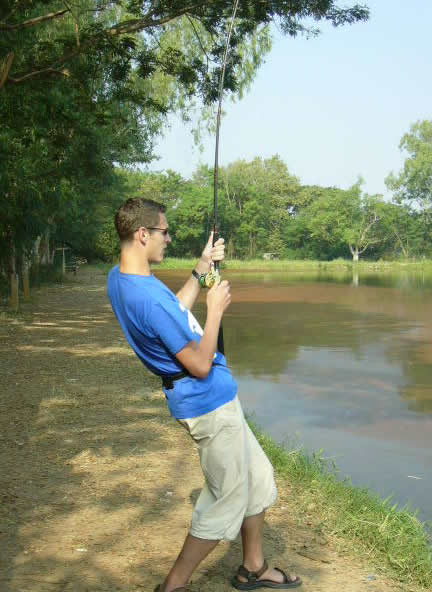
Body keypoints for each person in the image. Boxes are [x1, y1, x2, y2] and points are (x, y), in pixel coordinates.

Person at [107, 197, 302, 591]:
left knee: (258, 478)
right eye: (164, 231)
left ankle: (253, 566)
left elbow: (174, 313)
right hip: (207, 403)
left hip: (215, 397)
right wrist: (214, 310)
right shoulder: (143, 295)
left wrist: (202, 267)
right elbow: (197, 362)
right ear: (143, 234)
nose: (168, 238)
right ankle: (174, 585)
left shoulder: (123, 278)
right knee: (227, 500)